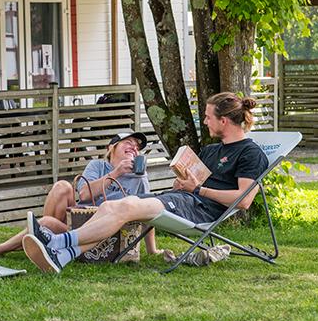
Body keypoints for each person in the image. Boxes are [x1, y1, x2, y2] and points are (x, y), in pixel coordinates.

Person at [22, 92, 269, 273]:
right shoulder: (212, 150)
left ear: (223, 120)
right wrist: (184, 183)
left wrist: (197, 189)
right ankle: (62, 256)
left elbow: (244, 200)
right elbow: (196, 184)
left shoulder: (250, 153)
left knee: (127, 207)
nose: (205, 122)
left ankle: (56, 242)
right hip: (182, 200)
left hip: (200, 210)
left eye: (207, 117)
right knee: (112, 207)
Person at [0, 130, 162, 256]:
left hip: (106, 235)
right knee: (62, 187)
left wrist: (152, 250)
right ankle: (45, 242)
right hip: (80, 224)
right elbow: (83, 195)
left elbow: (146, 212)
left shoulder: (139, 177)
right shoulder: (99, 165)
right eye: (129, 143)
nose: (134, 148)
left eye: (137, 147)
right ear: (112, 147)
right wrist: (116, 173)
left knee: (47, 223)